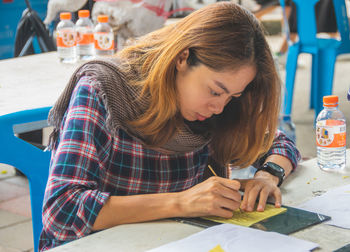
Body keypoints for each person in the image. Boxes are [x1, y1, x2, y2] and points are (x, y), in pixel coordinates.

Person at [39, 2, 300, 250]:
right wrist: (181, 202)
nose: (219, 108)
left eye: (232, 96)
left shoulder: (218, 109)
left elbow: (279, 143)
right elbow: (62, 211)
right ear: (183, 58)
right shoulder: (104, 90)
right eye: (214, 91)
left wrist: (267, 176)